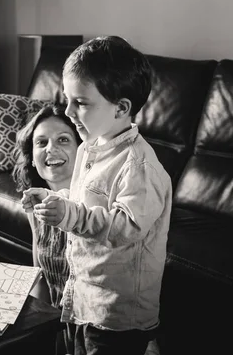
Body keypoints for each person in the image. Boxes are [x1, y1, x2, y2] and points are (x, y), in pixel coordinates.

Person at [21, 36, 172, 355]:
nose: (68, 110)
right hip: (86, 297)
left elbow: (124, 228)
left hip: (116, 313)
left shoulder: (139, 167)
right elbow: (88, 201)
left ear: (121, 108)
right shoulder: (92, 148)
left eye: (81, 102)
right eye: (68, 99)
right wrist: (57, 199)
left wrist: (68, 216)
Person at [12, 104, 81, 355]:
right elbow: (40, 276)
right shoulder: (35, 204)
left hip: (96, 332)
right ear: (32, 156)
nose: (51, 149)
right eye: (41, 142)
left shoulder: (95, 208)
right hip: (56, 326)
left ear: (82, 149)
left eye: (63, 139)